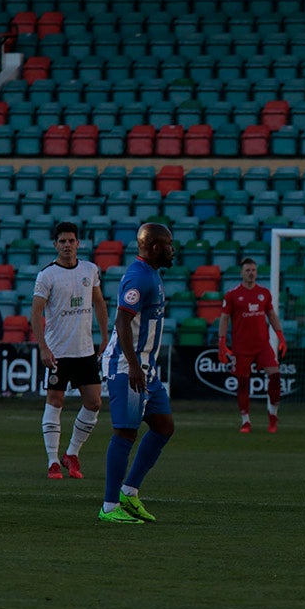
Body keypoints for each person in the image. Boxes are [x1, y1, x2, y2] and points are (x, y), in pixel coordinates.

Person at [97, 223, 176, 524]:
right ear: (155, 247)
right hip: (126, 366)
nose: (172, 249)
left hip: (146, 368)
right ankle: (108, 506)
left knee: (164, 427)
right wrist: (131, 364)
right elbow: (121, 322)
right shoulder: (138, 277)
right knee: (126, 432)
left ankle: (129, 493)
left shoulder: (151, 274)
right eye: (168, 244)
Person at [31, 221, 109, 480]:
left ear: (78, 243)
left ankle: (72, 453)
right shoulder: (47, 275)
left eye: (71, 241)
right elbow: (36, 312)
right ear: (55, 245)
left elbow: (99, 303)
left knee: (94, 402)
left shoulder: (90, 270)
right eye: (62, 241)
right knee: (56, 401)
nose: (67, 245)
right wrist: (43, 347)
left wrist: (105, 335)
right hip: (59, 352)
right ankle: (53, 461)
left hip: (85, 350)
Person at [217, 257, 287, 433]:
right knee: (242, 383)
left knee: (275, 375)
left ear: (257, 272)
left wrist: (281, 336)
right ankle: (245, 421)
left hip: (262, 345)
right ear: (242, 273)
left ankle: (272, 415)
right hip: (241, 347)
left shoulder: (264, 293)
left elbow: (271, 315)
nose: (251, 273)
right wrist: (222, 342)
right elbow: (224, 318)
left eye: (253, 270)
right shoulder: (232, 295)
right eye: (247, 270)